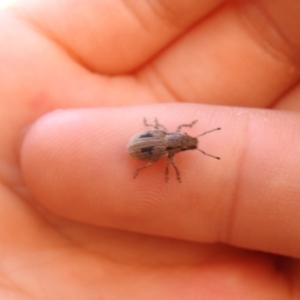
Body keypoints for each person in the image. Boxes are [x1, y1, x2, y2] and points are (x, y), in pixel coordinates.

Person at [1, 0, 300, 298]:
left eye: (186, 145)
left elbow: (177, 140)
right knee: (155, 158)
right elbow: (166, 148)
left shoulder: (169, 140)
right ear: (176, 142)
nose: (186, 144)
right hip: (138, 147)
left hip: (143, 143)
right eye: (185, 143)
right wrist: (161, 168)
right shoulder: (166, 145)